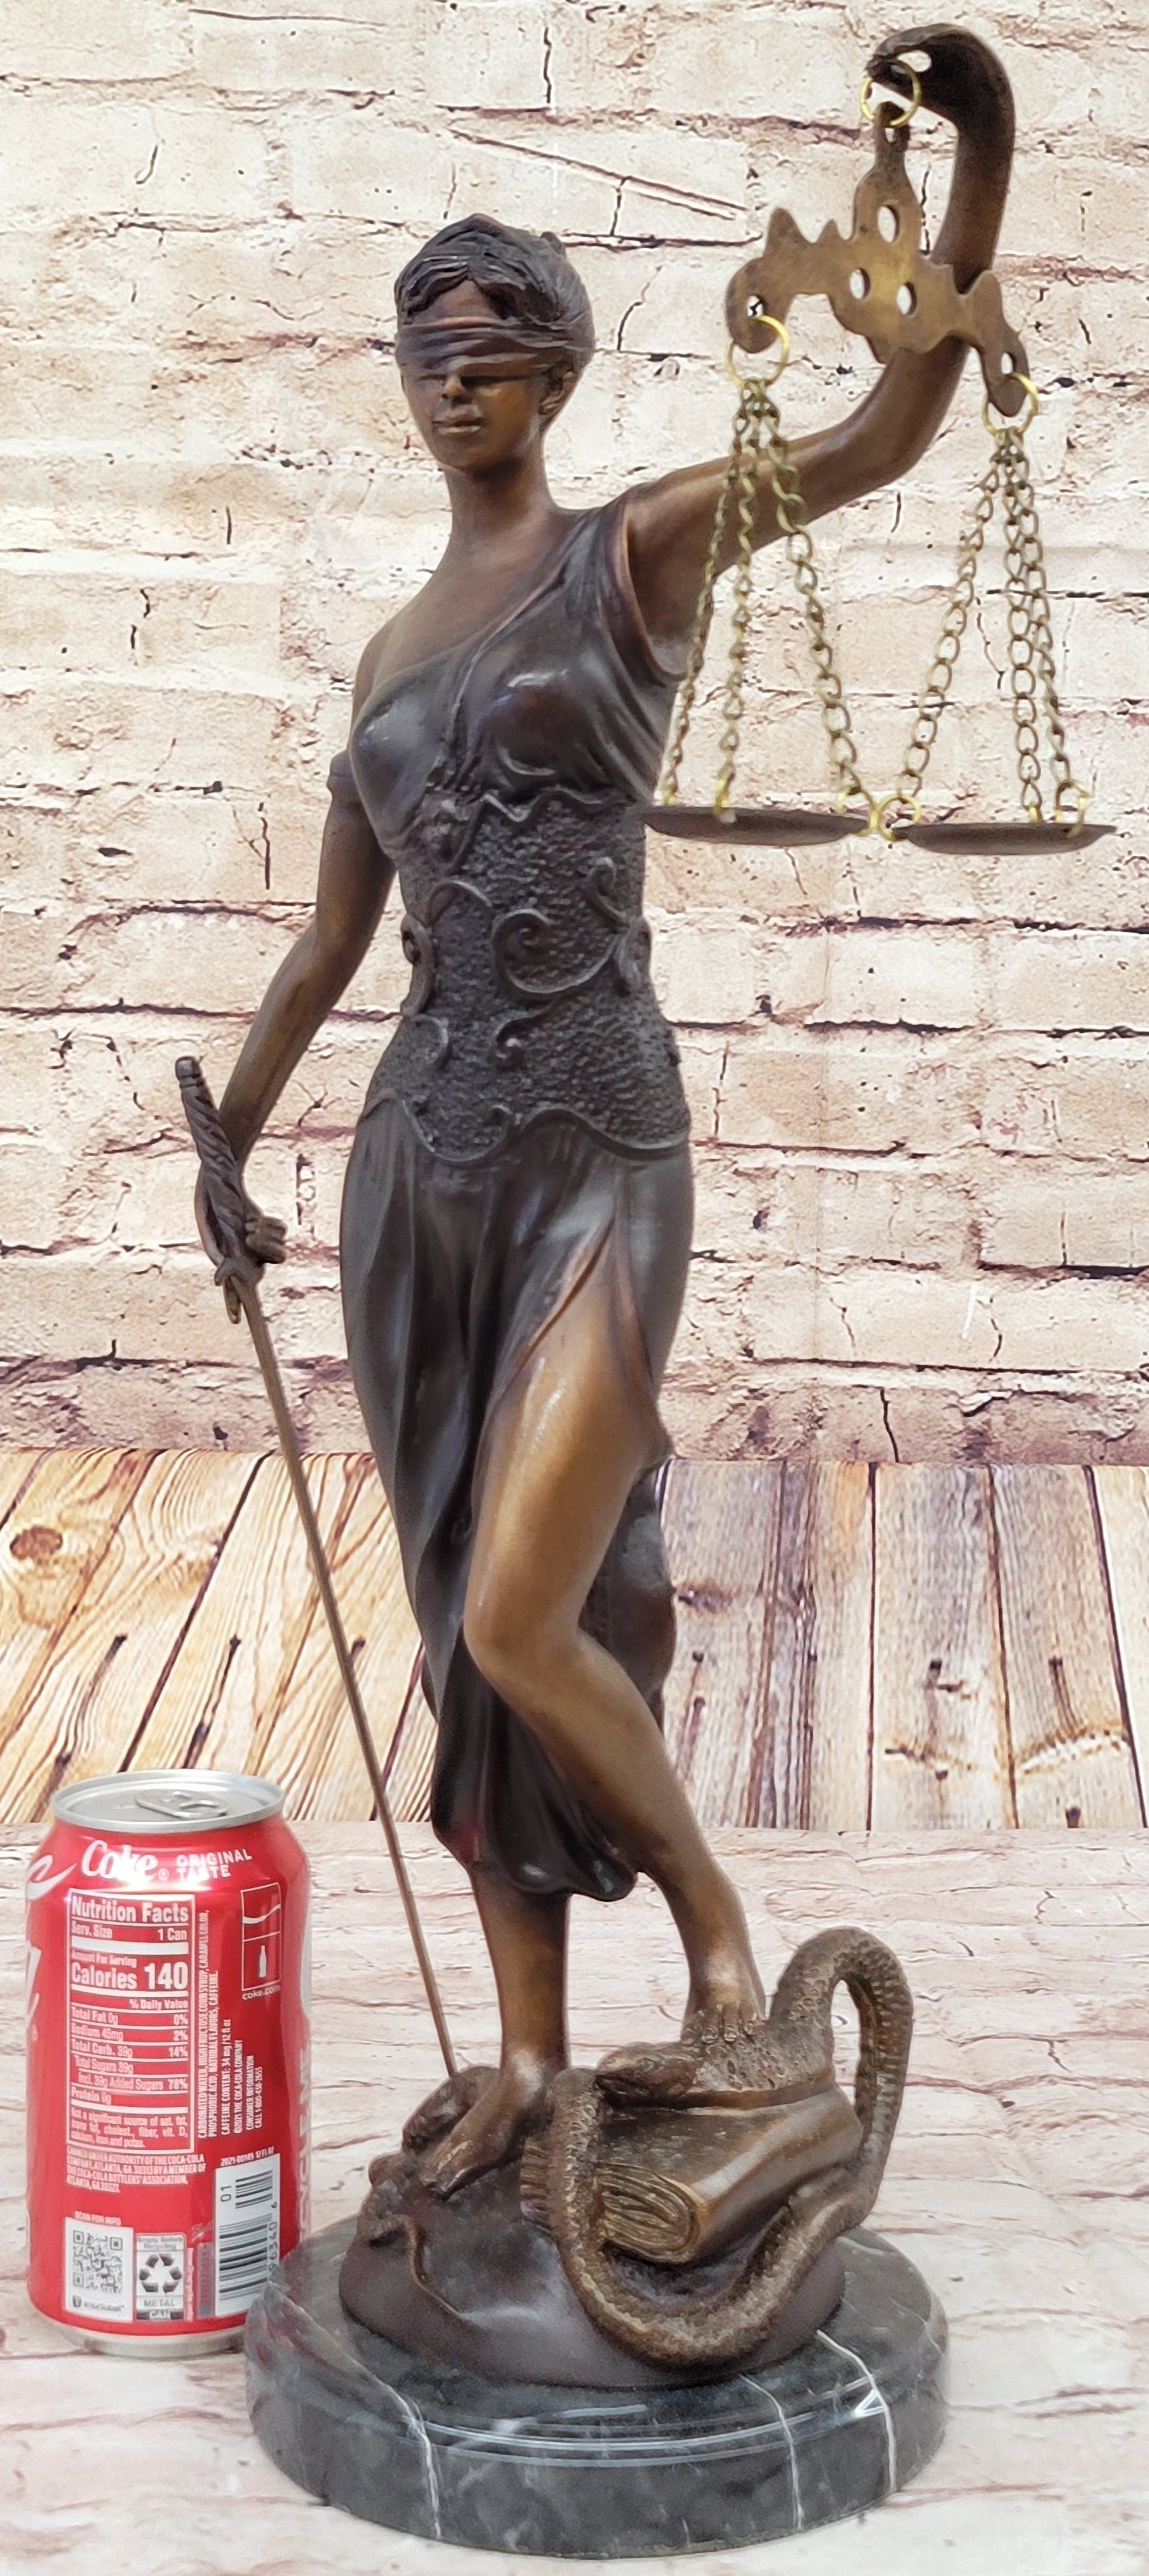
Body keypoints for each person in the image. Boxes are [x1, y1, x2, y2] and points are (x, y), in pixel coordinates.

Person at [198, 28, 1014, 2194]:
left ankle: (725, 1948)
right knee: (466, 1632)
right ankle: (536, 2063)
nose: (454, 381)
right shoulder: (388, 653)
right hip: (419, 1173)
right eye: (426, 352)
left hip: (597, 1146)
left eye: (493, 351)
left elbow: (880, 434)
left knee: (525, 1608)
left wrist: (980, 184)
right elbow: (326, 946)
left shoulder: (632, 551)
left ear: (555, 374)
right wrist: (230, 1144)